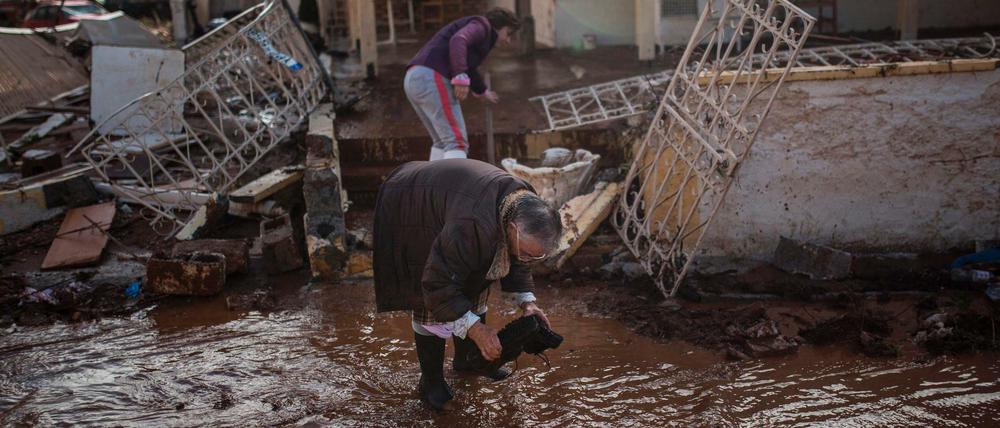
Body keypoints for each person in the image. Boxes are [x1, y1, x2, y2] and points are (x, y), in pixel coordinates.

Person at [372, 159, 562, 411]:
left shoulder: (524, 206)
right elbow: (437, 284)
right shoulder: (471, 224)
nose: (526, 260)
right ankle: (431, 382)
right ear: (513, 228)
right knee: (429, 294)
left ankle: (466, 361)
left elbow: (514, 257)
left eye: (535, 257)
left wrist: (528, 302)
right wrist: (477, 330)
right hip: (411, 205)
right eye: (527, 253)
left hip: (457, 202)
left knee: (478, 274)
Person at [404, 8, 520, 161]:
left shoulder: (481, 38)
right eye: (508, 33)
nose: (508, 40)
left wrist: (482, 91)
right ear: (498, 26)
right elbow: (459, 39)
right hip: (431, 77)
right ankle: (454, 185)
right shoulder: (482, 25)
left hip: (414, 78)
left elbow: (469, 67)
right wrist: (460, 76)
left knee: (442, 141)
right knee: (456, 143)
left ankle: (435, 184)